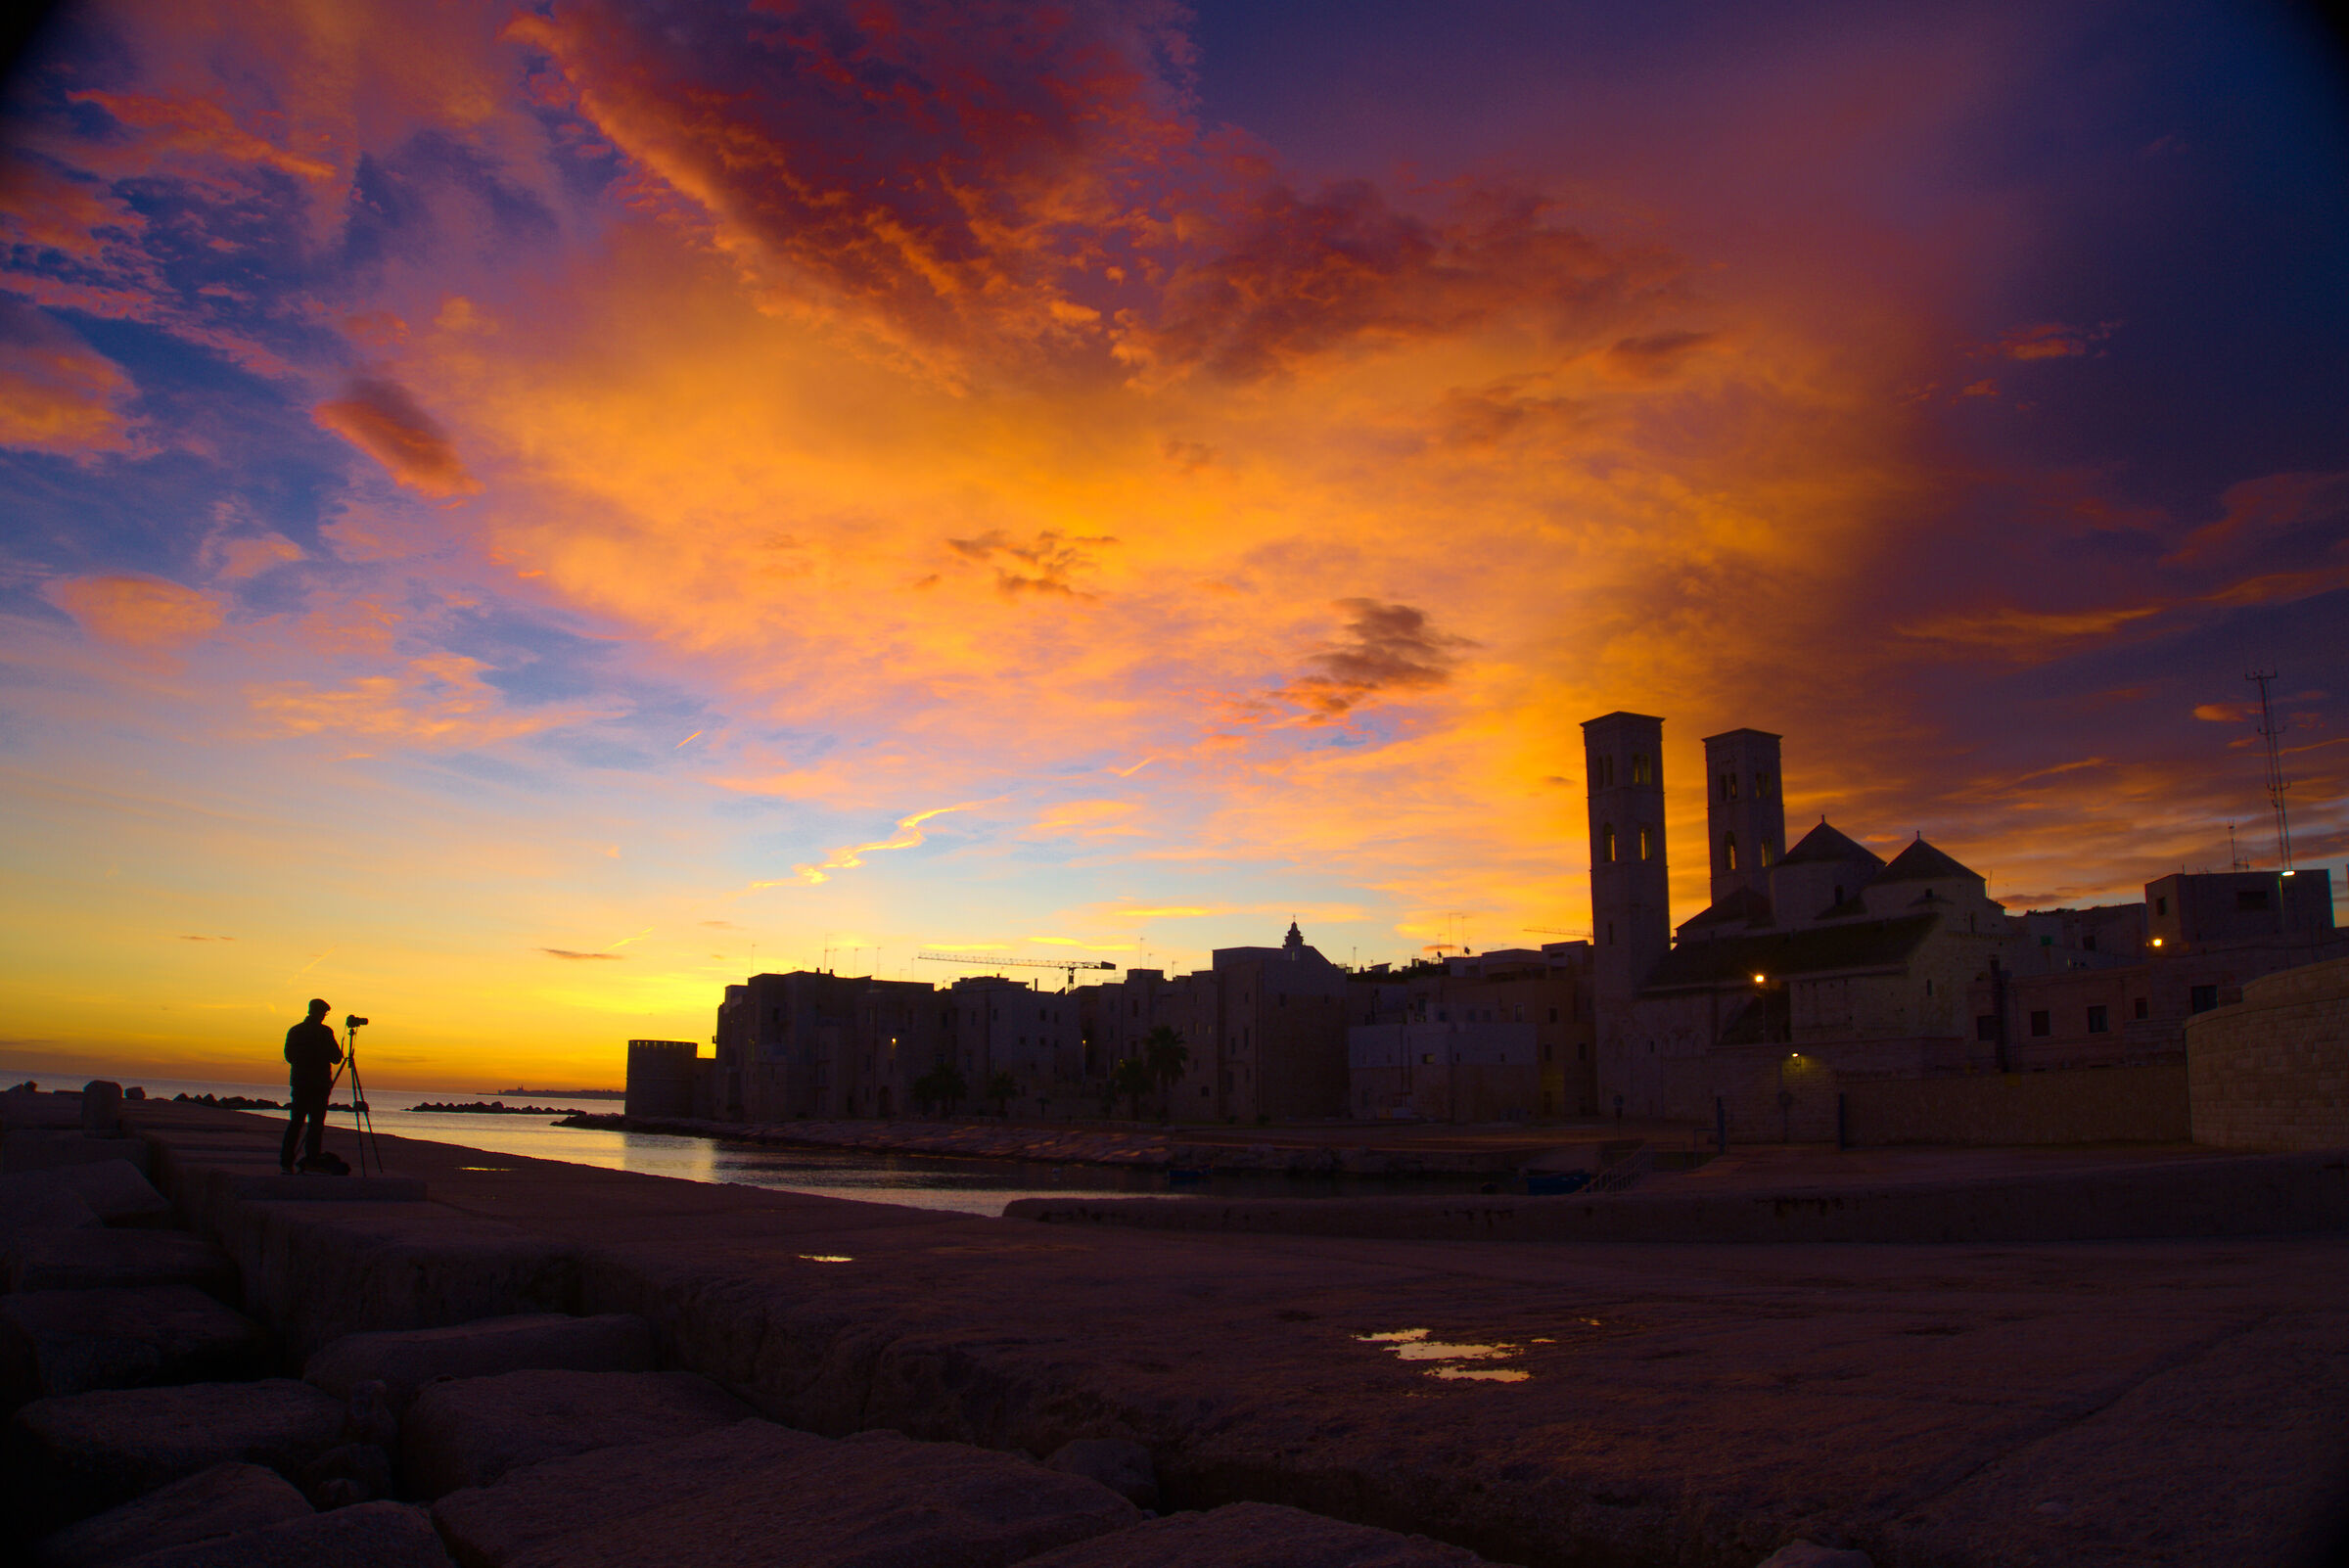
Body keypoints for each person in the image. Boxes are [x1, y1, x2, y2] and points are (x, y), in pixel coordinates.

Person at [281, 998, 343, 1174]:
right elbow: (337, 1058)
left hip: (301, 1083)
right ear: (319, 1012)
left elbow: (289, 1056)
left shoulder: (295, 1030)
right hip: (319, 1085)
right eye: (324, 1013)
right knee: (315, 1125)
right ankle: (312, 1161)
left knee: (296, 1123)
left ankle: (286, 1163)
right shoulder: (324, 1032)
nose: (324, 1016)